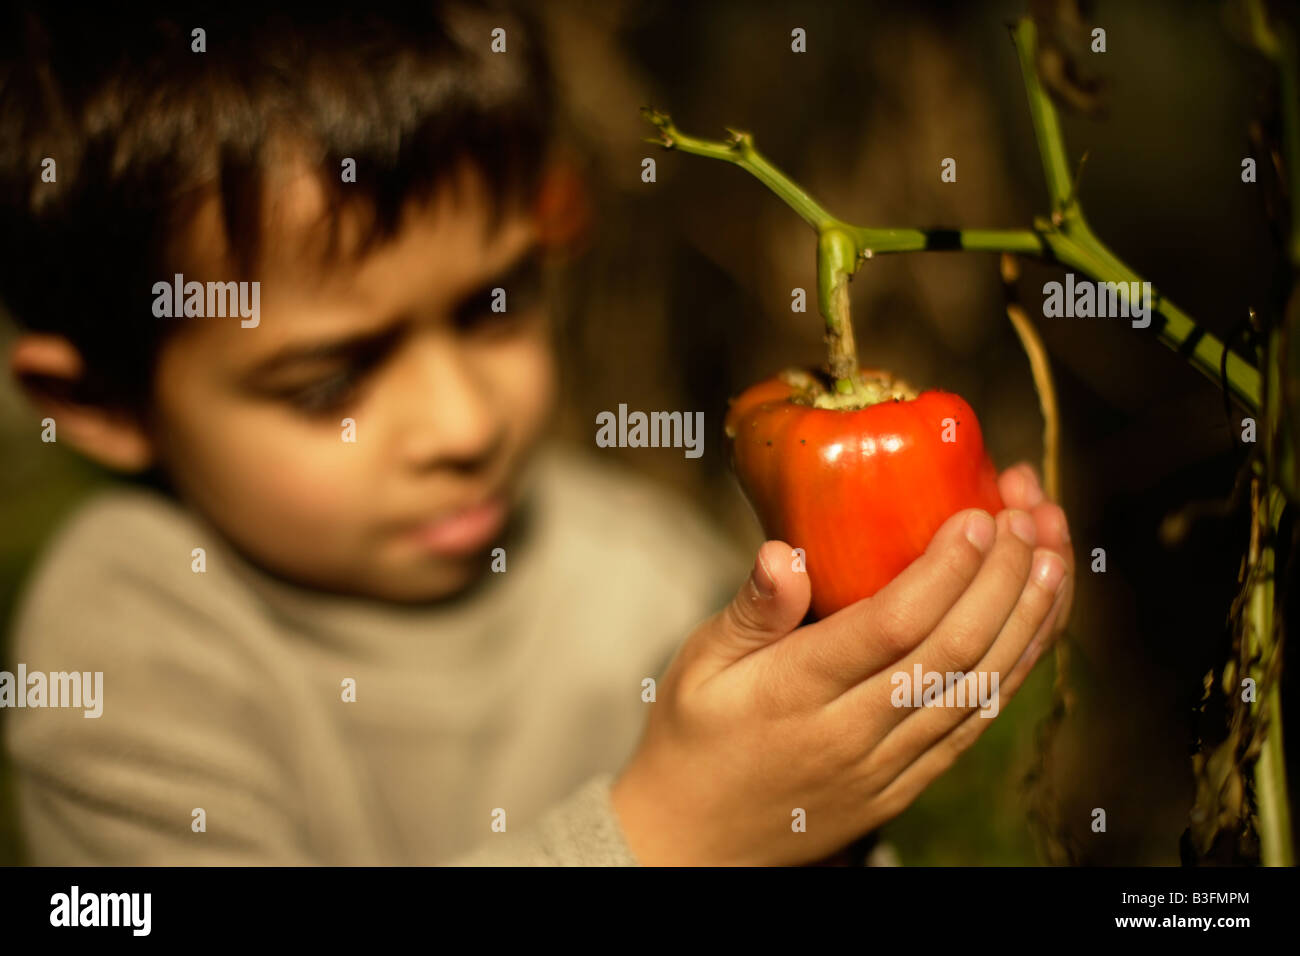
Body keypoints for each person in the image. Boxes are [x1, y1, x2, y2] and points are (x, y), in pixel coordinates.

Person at [0, 1, 1073, 865]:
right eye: (327, 381)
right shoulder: (120, 647)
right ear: (102, 402)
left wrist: (834, 765)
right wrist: (665, 835)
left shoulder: (645, 574)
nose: (464, 424)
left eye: (494, 303)